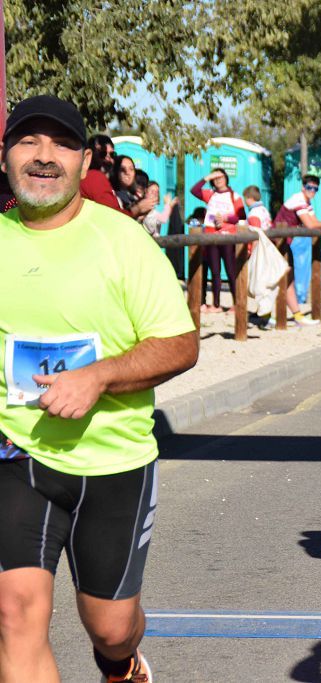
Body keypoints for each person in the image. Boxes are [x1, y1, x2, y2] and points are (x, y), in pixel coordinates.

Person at [0, 95, 198, 682]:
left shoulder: (122, 241)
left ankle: (122, 662)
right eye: (27, 142)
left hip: (114, 463)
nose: (43, 157)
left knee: (109, 627)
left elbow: (180, 344)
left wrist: (98, 377)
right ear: (5, 156)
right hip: (16, 453)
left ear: (85, 161)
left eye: (61, 144)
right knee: (15, 615)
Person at [270, 174, 321, 327]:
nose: (312, 190)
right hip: (277, 242)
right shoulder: (298, 200)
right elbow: (310, 225)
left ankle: (297, 315)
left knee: (288, 279)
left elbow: (313, 221)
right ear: (303, 187)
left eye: (315, 188)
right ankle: (267, 315)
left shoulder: (306, 202)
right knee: (276, 279)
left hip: (283, 242)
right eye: (309, 187)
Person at [190, 168, 246, 313]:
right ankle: (216, 304)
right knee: (215, 272)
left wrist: (226, 219)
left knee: (230, 270)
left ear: (226, 178)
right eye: (215, 178)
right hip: (211, 236)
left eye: (220, 177)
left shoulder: (235, 196)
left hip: (227, 236)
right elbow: (194, 190)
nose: (218, 180)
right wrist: (207, 177)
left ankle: (237, 303)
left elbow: (242, 216)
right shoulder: (211, 194)